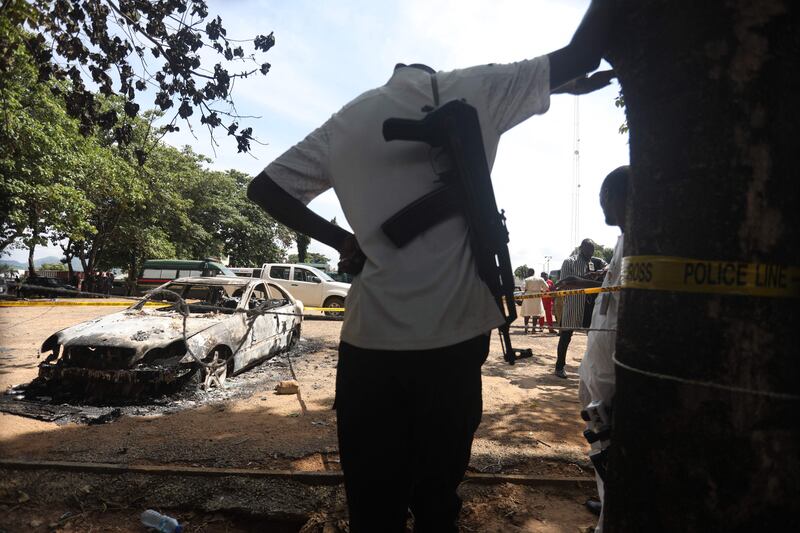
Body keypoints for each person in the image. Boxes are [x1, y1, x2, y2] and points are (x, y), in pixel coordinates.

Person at [246, 2, 613, 529]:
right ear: (431, 77)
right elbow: (582, 53)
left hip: (368, 345)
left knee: (373, 506)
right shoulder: (481, 87)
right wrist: (555, 85)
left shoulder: (346, 119)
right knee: (438, 500)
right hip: (454, 340)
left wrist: (343, 238)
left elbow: (265, 187)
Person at [560, 166, 629, 532]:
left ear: (620, 197)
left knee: (608, 443)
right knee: (599, 443)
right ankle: (606, 501)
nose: (602, 203)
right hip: (597, 359)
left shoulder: (639, 240)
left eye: (605, 195)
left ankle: (608, 522)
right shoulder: (622, 240)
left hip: (611, 368)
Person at [553, 239, 607, 378]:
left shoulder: (596, 262)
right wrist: (586, 279)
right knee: (566, 336)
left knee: (594, 337)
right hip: (574, 305)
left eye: (592, 250)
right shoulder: (569, 262)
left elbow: (610, 267)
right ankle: (559, 367)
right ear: (581, 248)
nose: (590, 253)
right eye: (588, 249)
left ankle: (594, 367)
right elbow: (565, 283)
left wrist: (601, 271)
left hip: (591, 306)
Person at [521, 268, 548, 334]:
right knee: (535, 313)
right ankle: (533, 329)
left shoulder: (526, 279)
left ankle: (526, 329)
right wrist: (542, 291)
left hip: (528, 297)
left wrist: (525, 291)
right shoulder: (540, 279)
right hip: (537, 296)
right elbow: (546, 287)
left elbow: (522, 288)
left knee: (527, 313)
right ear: (534, 272)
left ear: (528, 273)